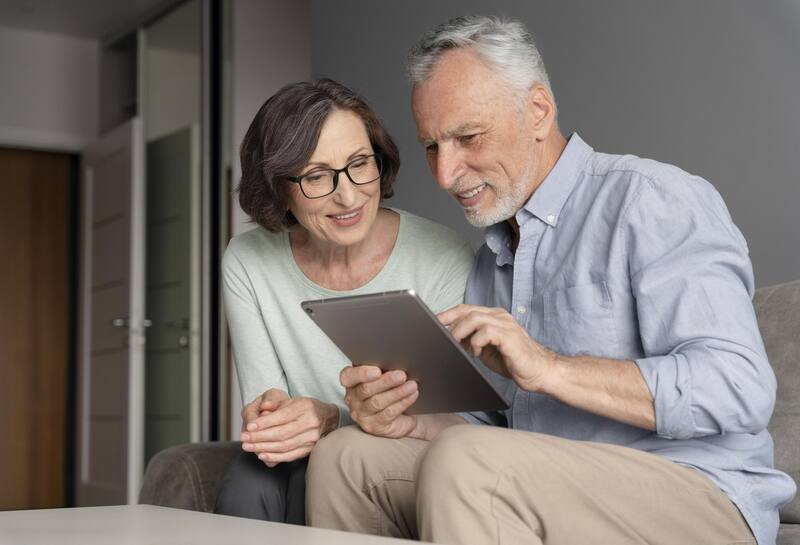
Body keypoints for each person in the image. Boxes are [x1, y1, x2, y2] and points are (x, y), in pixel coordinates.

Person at [305, 16, 796, 545]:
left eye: (468, 137)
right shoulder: (493, 259)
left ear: (538, 111)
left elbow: (739, 388)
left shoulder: (652, 200)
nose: (446, 174)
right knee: (347, 456)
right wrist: (409, 421)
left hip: (702, 498)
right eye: (432, 146)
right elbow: (494, 433)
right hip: (557, 486)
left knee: (471, 464)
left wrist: (548, 367)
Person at [214, 78, 473, 524]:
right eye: (316, 176)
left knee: (321, 467)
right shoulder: (248, 259)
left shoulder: (442, 256)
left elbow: (459, 422)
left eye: (359, 164)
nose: (349, 195)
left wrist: (333, 419)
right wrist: (273, 416)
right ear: (279, 187)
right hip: (298, 461)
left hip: (404, 452)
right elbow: (268, 409)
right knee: (253, 472)